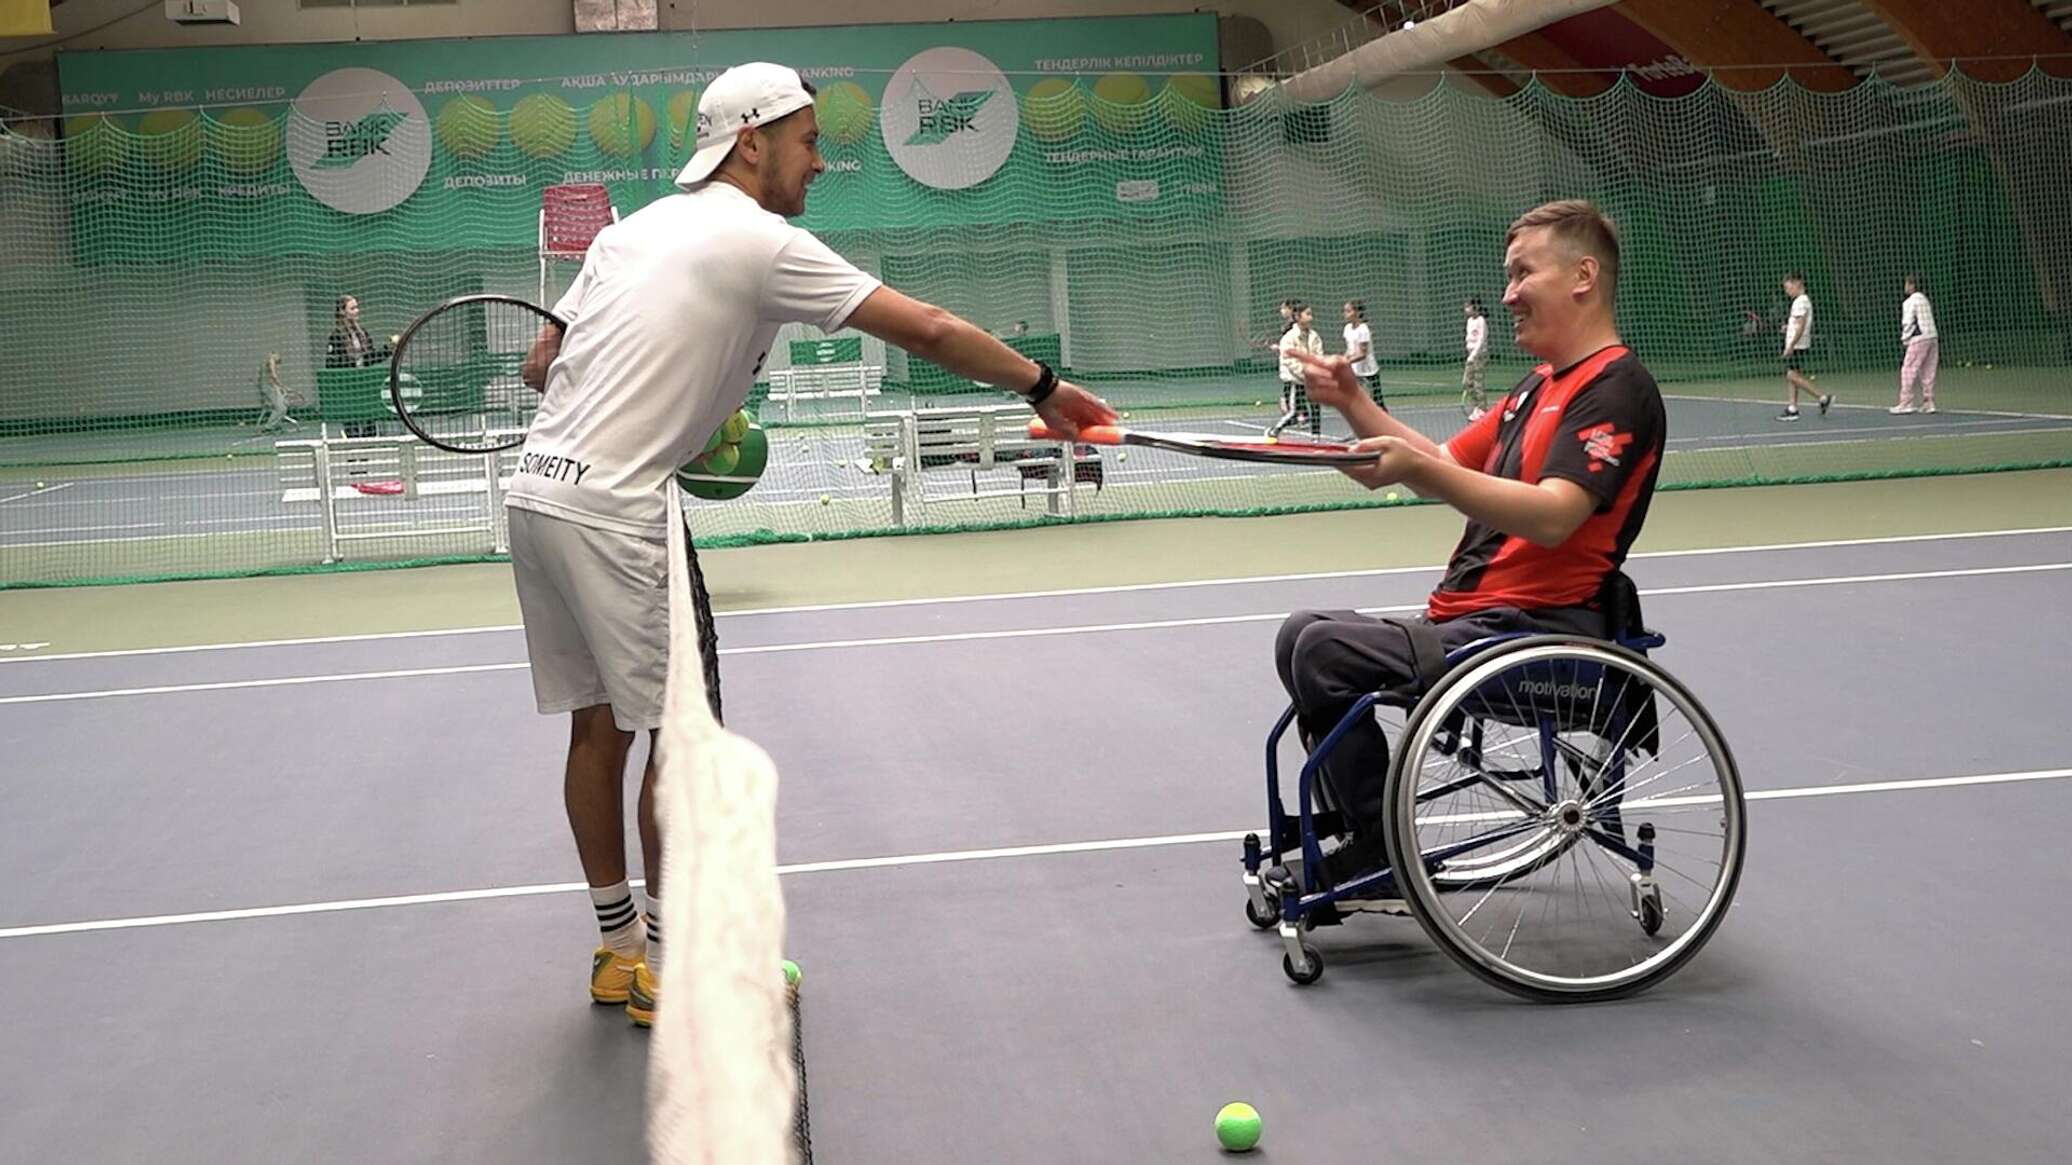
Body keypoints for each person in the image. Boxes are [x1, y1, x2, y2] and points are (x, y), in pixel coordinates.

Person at [506, 63, 1114, 1027]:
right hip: (623, 511)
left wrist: (666, 403)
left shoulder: (628, 234)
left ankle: (618, 951)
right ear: (752, 142)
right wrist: (1045, 388)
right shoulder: (758, 239)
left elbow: (545, 364)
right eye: (810, 141)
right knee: (683, 737)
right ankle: (673, 964)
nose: (821, 162)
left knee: (596, 726)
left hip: (538, 495)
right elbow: (930, 326)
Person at [1274, 199, 1667, 885]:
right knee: (1300, 632)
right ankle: (1370, 828)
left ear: (1583, 276)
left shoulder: (1616, 389)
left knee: (1321, 650)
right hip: (1477, 622)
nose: (1508, 293)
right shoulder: (1537, 386)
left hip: (1536, 634)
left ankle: (1382, 850)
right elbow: (1446, 463)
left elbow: (1553, 515)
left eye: (1522, 273)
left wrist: (1419, 468)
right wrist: (1352, 404)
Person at [325, 294, 388, 438]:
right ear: (342, 312)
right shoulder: (336, 335)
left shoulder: (362, 333)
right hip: (347, 387)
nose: (357, 311)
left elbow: (370, 358)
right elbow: (331, 364)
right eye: (352, 308)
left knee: (370, 425)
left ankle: (368, 456)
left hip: (364, 384)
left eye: (357, 307)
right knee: (352, 425)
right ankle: (354, 455)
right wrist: (351, 362)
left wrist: (388, 349)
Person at [1775, 273, 1831, 422]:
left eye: (1788, 287)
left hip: (1798, 345)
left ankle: (1822, 397)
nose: (1787, 291)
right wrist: (1788, 328)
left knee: (1791, 375)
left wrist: (1791, 345)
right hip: (1798, 343)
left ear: (1797, 284)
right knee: (1792, 375)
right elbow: (1798, 324)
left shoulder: (1801, 301)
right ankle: (1792, 408)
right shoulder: (1800, 302)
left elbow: (1800, 327)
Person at [1268, 301, 1324, 438]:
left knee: (1316, 407)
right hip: (1297, 380)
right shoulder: (1289, 337)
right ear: (1298, 317)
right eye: (1308, 314)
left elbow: (1319, 356)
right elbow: (1289, 361)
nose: (1311, 318)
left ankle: (1315, 438)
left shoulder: (1314, 336)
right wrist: (1304, 374)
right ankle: (1275, 430)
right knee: (1294, 412)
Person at [1892, 274, 1939, 414]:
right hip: (1933, 337)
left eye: (1907, 284)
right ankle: (1928, 402)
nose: (1905, 286)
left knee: (1908, 369)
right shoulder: (1925, 299)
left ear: (1912, 285)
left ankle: (1906, 402)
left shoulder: (1910, 302)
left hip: (1918, 338)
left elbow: (1908, 322)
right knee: (1928, 370)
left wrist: (1905, 338)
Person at [1342, 300, 1381, 407]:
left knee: (1376, 405)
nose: (1345, 314)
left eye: (1348, 311)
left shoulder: (1363, 330)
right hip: (1355, 372)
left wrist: (1346, 362)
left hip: (1368, 372)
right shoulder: (1347, 329)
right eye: (1345, 311)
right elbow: (1349, 350)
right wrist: (1342, 359)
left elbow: (1362, 354)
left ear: (1357, 313)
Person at [1461, 296, 1490, 417]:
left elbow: (1481, 339)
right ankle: (1476, 406)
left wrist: (1473, 356)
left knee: (1478, 383)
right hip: (1471, 355)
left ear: (1474, 307)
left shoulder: (1481, 320)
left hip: (1479, 356)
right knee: (1467, 383)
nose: (1466, 309)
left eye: (1468, 306)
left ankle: (1482, 409)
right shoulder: (1469, 321)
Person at [254, 352, 295, 432]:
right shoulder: (271, 360)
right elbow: (274, 376)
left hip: (270, 387)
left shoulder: (265, 363)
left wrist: (280, 388)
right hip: (269, 388)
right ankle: (269, 427)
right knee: (280, 408)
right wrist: (284, 387)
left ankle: (276, 424)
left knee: (283, 406)